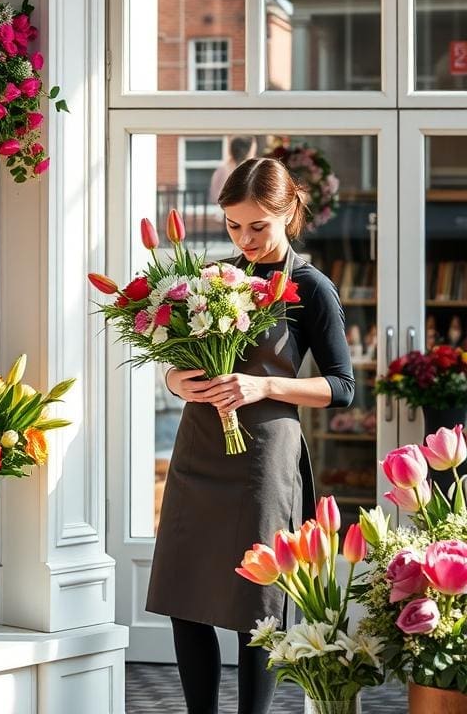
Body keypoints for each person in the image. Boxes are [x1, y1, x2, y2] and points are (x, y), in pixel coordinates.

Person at [145, 157, 355, 714]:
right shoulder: (214, 280)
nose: (245, 240)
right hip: (198, 451)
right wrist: (176, 380)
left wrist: (263, 386)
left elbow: (343, 387)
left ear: (289, 212)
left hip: (263, 458)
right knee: (183, 599)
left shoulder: (312, 287)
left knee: (255, 606)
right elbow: (175, 360)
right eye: (235, 227)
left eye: (257, 226)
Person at [208, 136, 257, 207]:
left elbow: (214, 197)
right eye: (253, 152)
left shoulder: (221, 170)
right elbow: (216, 197)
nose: (255, 155)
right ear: (247, 152)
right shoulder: (251, 172)